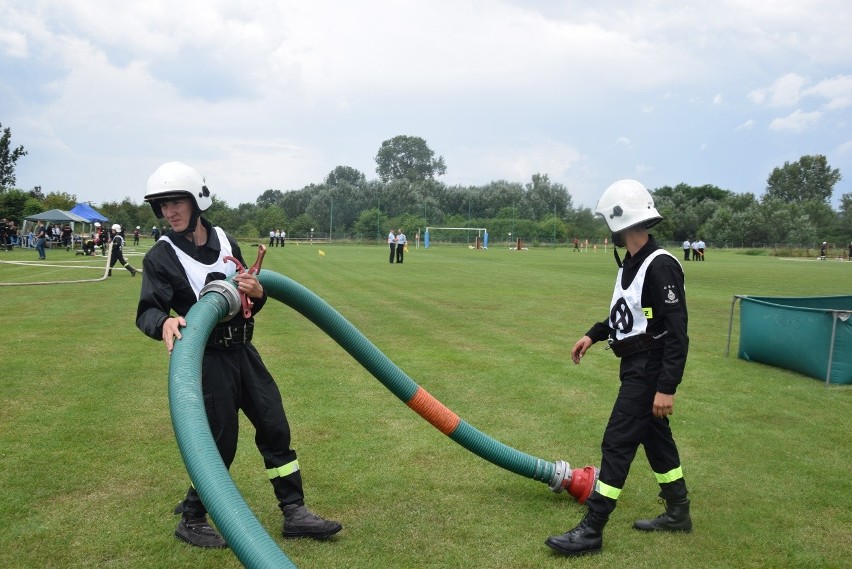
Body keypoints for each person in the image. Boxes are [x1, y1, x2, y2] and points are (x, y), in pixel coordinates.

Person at [136, 161, 341, 549]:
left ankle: (294, 511)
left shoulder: (225, 241)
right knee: (218, 441)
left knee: (275, 426)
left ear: (197, 201)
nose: (169, 212)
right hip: (207, 359)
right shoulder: (160, 257)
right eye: (161, 206)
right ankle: (193, 517)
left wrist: (258, 294)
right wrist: (162, 321)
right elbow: (147, 311)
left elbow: (245, 300)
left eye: (175, 202)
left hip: (244, 352)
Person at [546, 179, 691, 557]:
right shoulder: (630, 262)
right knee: (656, 441)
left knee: (617, 441)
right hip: (634, 363)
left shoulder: (661, 266)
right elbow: (624, 317)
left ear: (619, 221)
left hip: (649, 369)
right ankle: (678, 512)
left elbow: (677, 332)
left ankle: (592, 528)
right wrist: (593, 335)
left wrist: (666, 386)